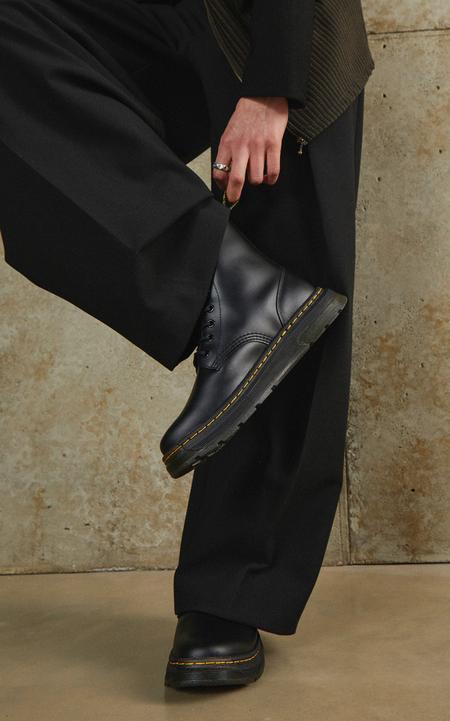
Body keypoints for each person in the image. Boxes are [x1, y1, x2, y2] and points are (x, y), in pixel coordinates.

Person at [0, 0, 374, 688]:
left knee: (298, 285)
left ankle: (229, 593)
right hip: (153, 17)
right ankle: (219, 285)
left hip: (274, 21)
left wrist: (272, 84)